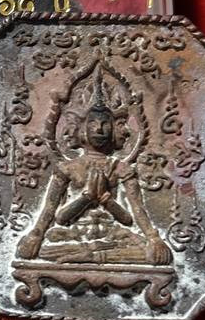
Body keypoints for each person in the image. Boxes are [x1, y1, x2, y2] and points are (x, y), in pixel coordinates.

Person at [17, 65, 172, 266]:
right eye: (92, 123)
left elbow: (132, 216)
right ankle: (90, 255)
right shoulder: (67, 168)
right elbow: (55, 215)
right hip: (72, 236)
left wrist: (153, 238)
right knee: (43, 250)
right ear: (79, 128)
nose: (99, 129)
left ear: (116, 129)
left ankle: (90, 256)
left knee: (151, 254)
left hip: (113, 236)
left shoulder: (122, 169)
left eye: (105, 124)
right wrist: (86, 198)